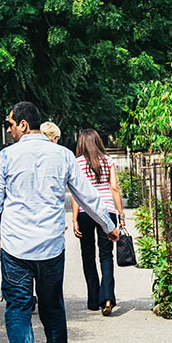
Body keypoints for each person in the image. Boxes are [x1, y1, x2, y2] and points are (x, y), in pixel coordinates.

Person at [0, 101, 119, 343]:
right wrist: (109, 226)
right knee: (52, 305)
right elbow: (87, 194)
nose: (8, 129)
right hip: (51, 247)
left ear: (23, 124)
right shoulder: (63, 155)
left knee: (17, 308)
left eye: (10, 123)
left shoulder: (7, 157)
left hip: (16, 248)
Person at [72, 128, 125, 316]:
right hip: (107, 211)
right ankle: (107, 297)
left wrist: (74, 218)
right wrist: (120, 214)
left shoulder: (77, 163)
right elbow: (114, 188)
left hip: (86, 212)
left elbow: (76, 192)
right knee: (106, 255)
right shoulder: (107, 160)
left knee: (88, 255)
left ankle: (93, 299)